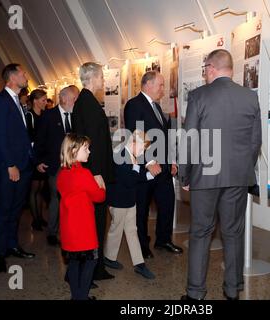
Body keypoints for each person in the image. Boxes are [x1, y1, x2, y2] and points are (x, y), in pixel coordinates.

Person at [179, 49, 262, 300]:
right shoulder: (250, 96)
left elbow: (189, 140)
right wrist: (242, 169)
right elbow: (255, 142)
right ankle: (232, 290)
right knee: (233, 232)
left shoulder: (198, 96)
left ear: (211, 68)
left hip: (205, 177)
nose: (205, 74)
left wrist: (184, 175)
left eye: (205, 70)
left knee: (201, 232)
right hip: (238, 177)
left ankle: (195, 294)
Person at [124, 71, 183, 259]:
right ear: (148, 84)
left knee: (167, 204)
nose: (163, 89)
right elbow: (135, 134)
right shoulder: (134, 105)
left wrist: (172, 161)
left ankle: (163, 239)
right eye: (161, 85)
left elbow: (165, 137)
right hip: (146, 169)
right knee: (142, 209)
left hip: (164, 168)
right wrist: (148, 162)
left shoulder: (156, 107)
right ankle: (142, 245)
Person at [0, 63, 35, 273]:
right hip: (11, 166)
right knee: (4, 209)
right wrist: (10, 164)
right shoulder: (1, 101)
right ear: (12, 77)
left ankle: (12, 244)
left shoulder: (18, 101)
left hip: (23, 165)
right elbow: (0, 136)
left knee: (16, 209)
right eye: (23, 73)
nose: (26, 75)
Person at [72, 62, 115, 281]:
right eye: (101, 77)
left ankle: (94, 267)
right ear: (93, 77)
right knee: (96, 222)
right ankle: (92, 269)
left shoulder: (86, 101)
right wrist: (97, 173)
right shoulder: (87, 102)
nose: (103, 80)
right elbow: (90, 142)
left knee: (97, 221)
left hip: (94, 171)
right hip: (94, 173)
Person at [57, 134, 106, 300]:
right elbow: (99, 197)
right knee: (90, 262)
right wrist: (101, 185)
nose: (89, 152)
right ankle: (81, 297)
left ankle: (76, 296)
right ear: (74, 150)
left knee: (74, 262)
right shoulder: (84, 174)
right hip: (84, 228)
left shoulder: (62, 173)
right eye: (86, 148)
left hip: (69, 228)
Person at [104, 130, 156, 280]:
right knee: (116, 229)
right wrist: (139, 169)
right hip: (118, 201)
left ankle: (139, 264)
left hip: (129, 199)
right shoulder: (120, 154)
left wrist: (148, 175)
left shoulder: (131, 155)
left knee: (132, 231)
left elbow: (136, 177)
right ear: (134, 142)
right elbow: (129, 179)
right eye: (142, 148)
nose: (143, 151)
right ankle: (109, 257)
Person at [35, 85, 79, 246]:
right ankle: (52, 233)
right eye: (74, 98)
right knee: (56, 198)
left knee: (72, 199)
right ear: (64, 98)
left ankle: (70, 229)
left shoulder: (77, 116)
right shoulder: (48, 116)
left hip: (74, 165)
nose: (76, 101)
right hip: (55, 165)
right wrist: (38, 161)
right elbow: (40, 141)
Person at [26, 89, 48, 231]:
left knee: (40, 188)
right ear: (35, 101)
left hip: (43, 154)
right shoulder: (29, 115)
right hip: (34, 156)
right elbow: (28, 138)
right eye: (43, 100)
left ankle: (40, 217)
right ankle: (35, 219)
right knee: (34, 188)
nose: (45, 102)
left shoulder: (45, 115)